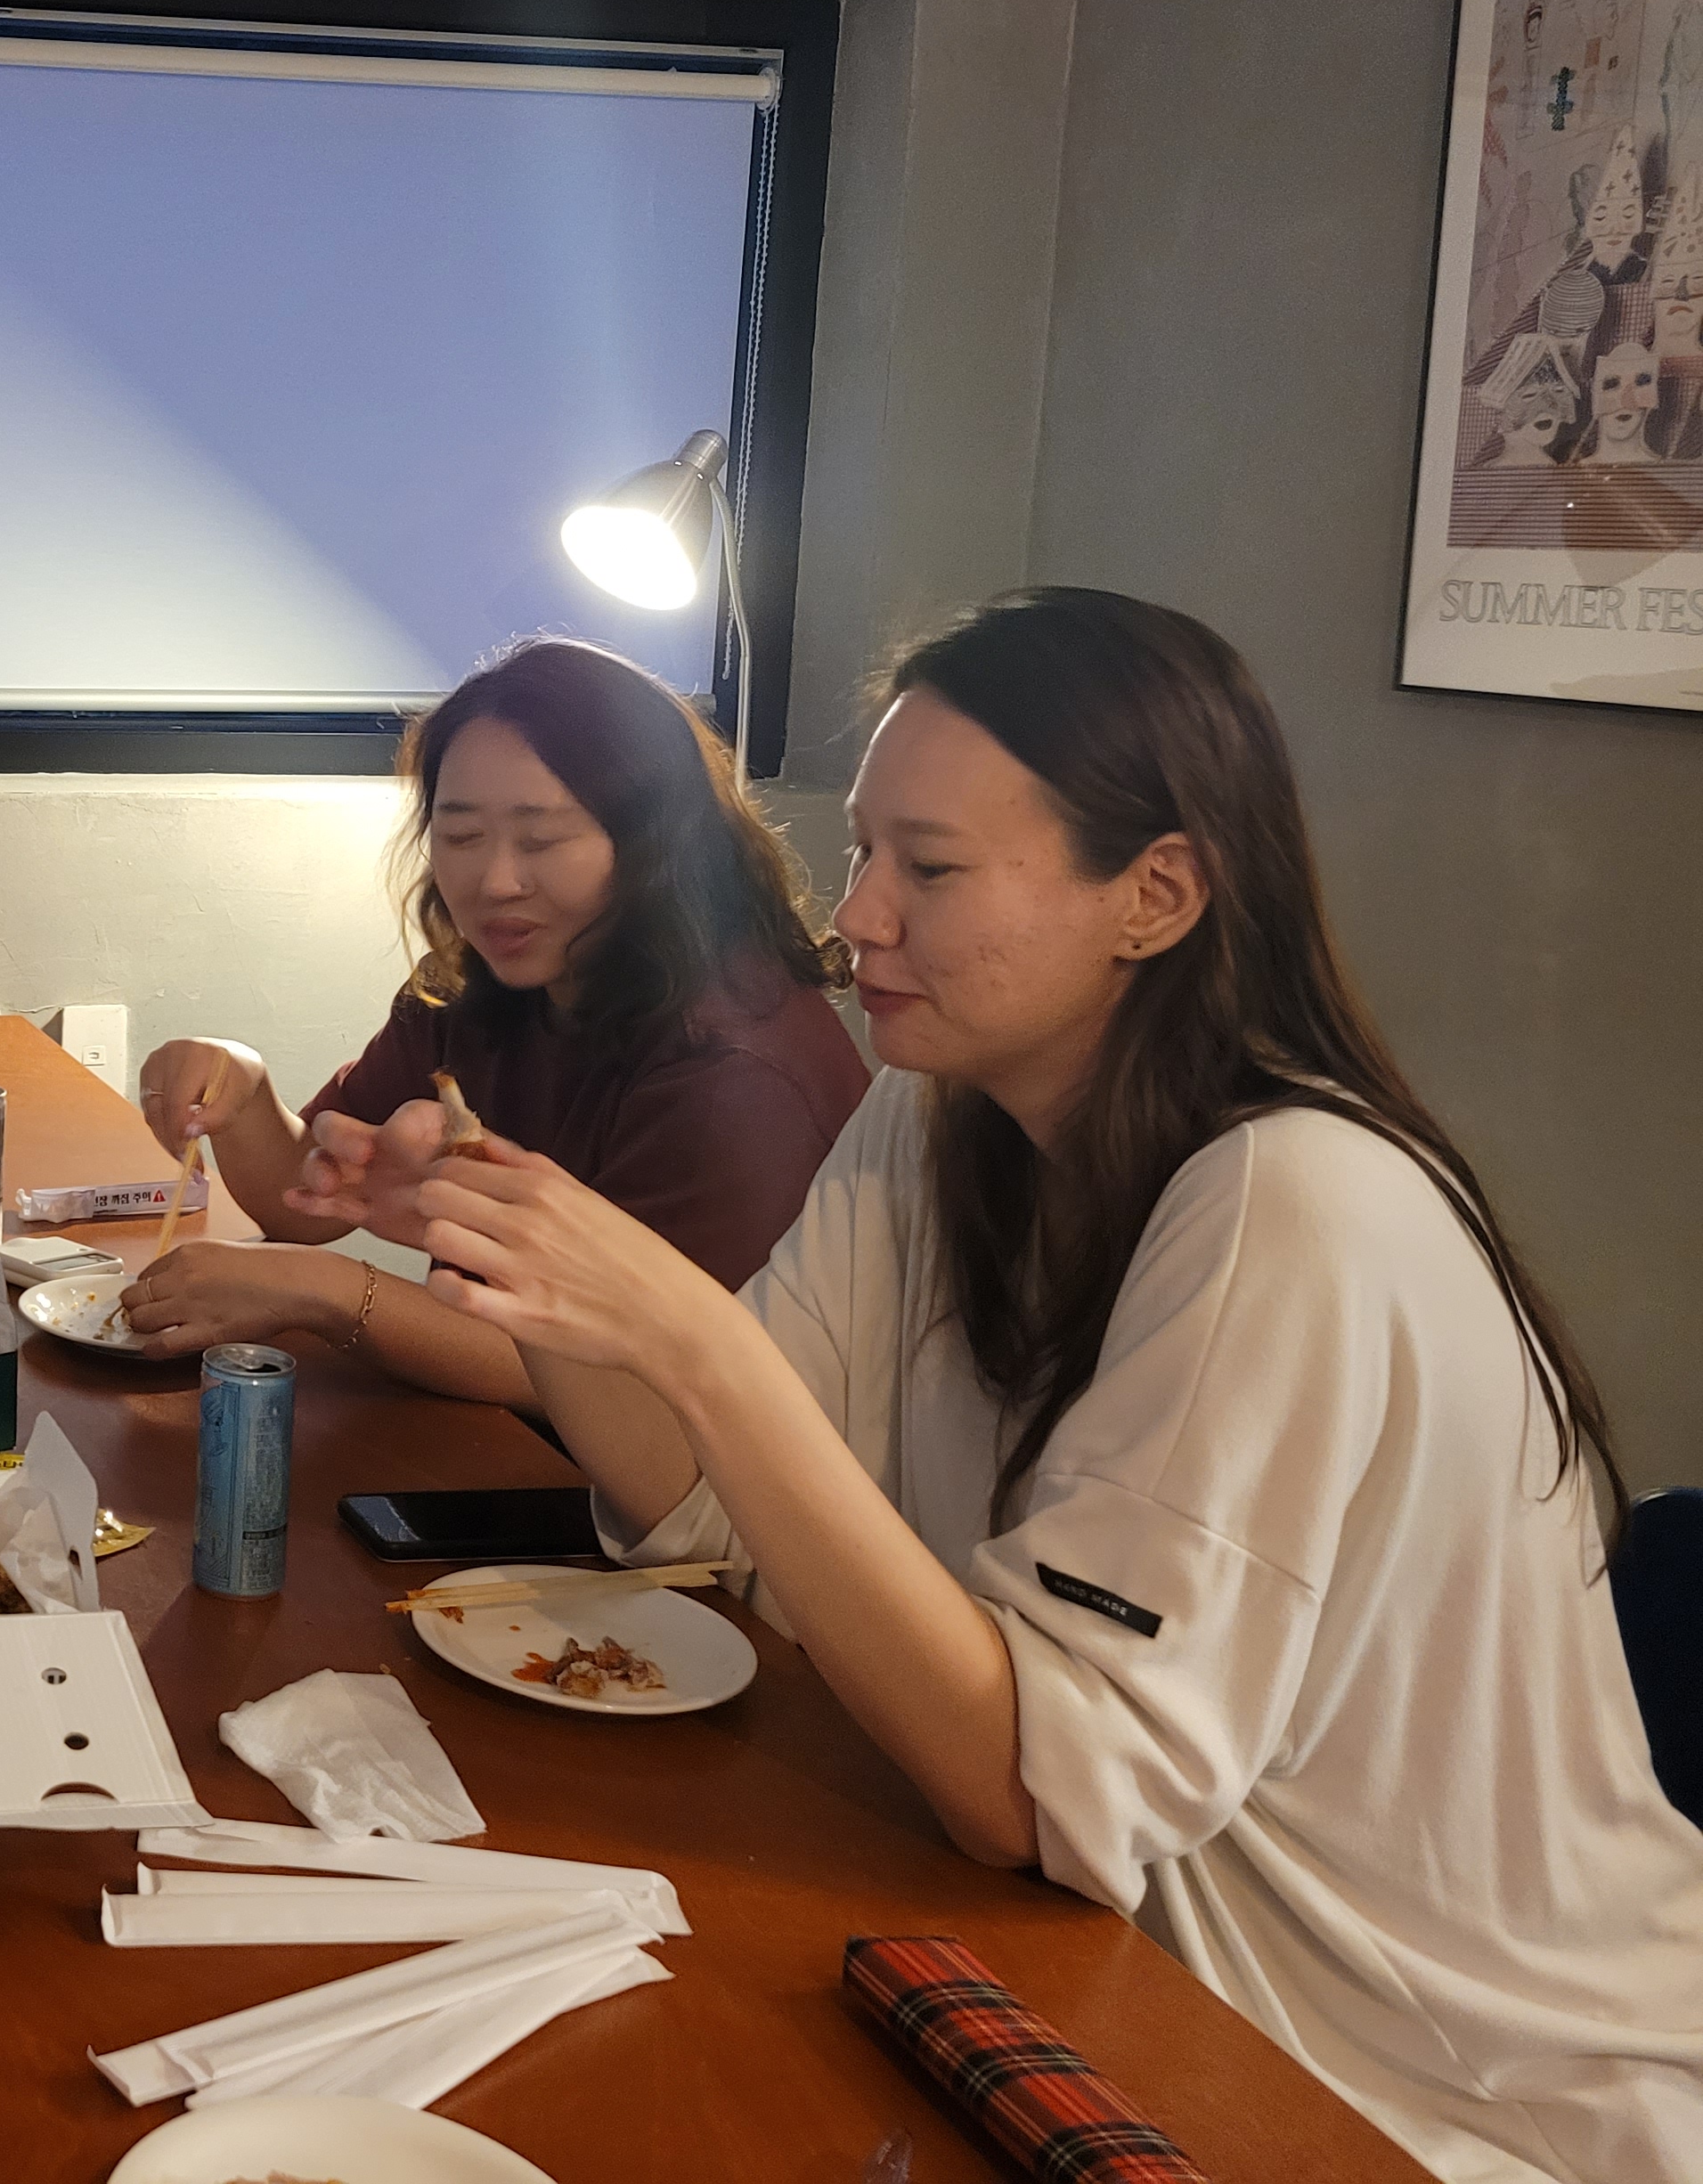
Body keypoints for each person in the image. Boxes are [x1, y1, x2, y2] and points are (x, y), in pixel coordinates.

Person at [319, 589, 1703, 2182]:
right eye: (863, 854)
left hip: (1416, 2088)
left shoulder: (1291, 1202)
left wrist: (690, 1336)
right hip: (1102, 1961)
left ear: (1154, 895)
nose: (856, 919)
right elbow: (709, 1503)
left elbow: (1035, 1793)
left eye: (930, 869)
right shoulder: (935, 1115)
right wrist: (515, 1242)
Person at [121, 638, 866, 1404]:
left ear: (658, 846)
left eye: (541, 839)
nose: (496, 882)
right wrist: (244, 1091)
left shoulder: (735, 1071)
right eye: (461, 836)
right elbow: (307, 1201)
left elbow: (635, 1390)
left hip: (668, 1470)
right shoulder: (478, 991)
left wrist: (325, 1291)